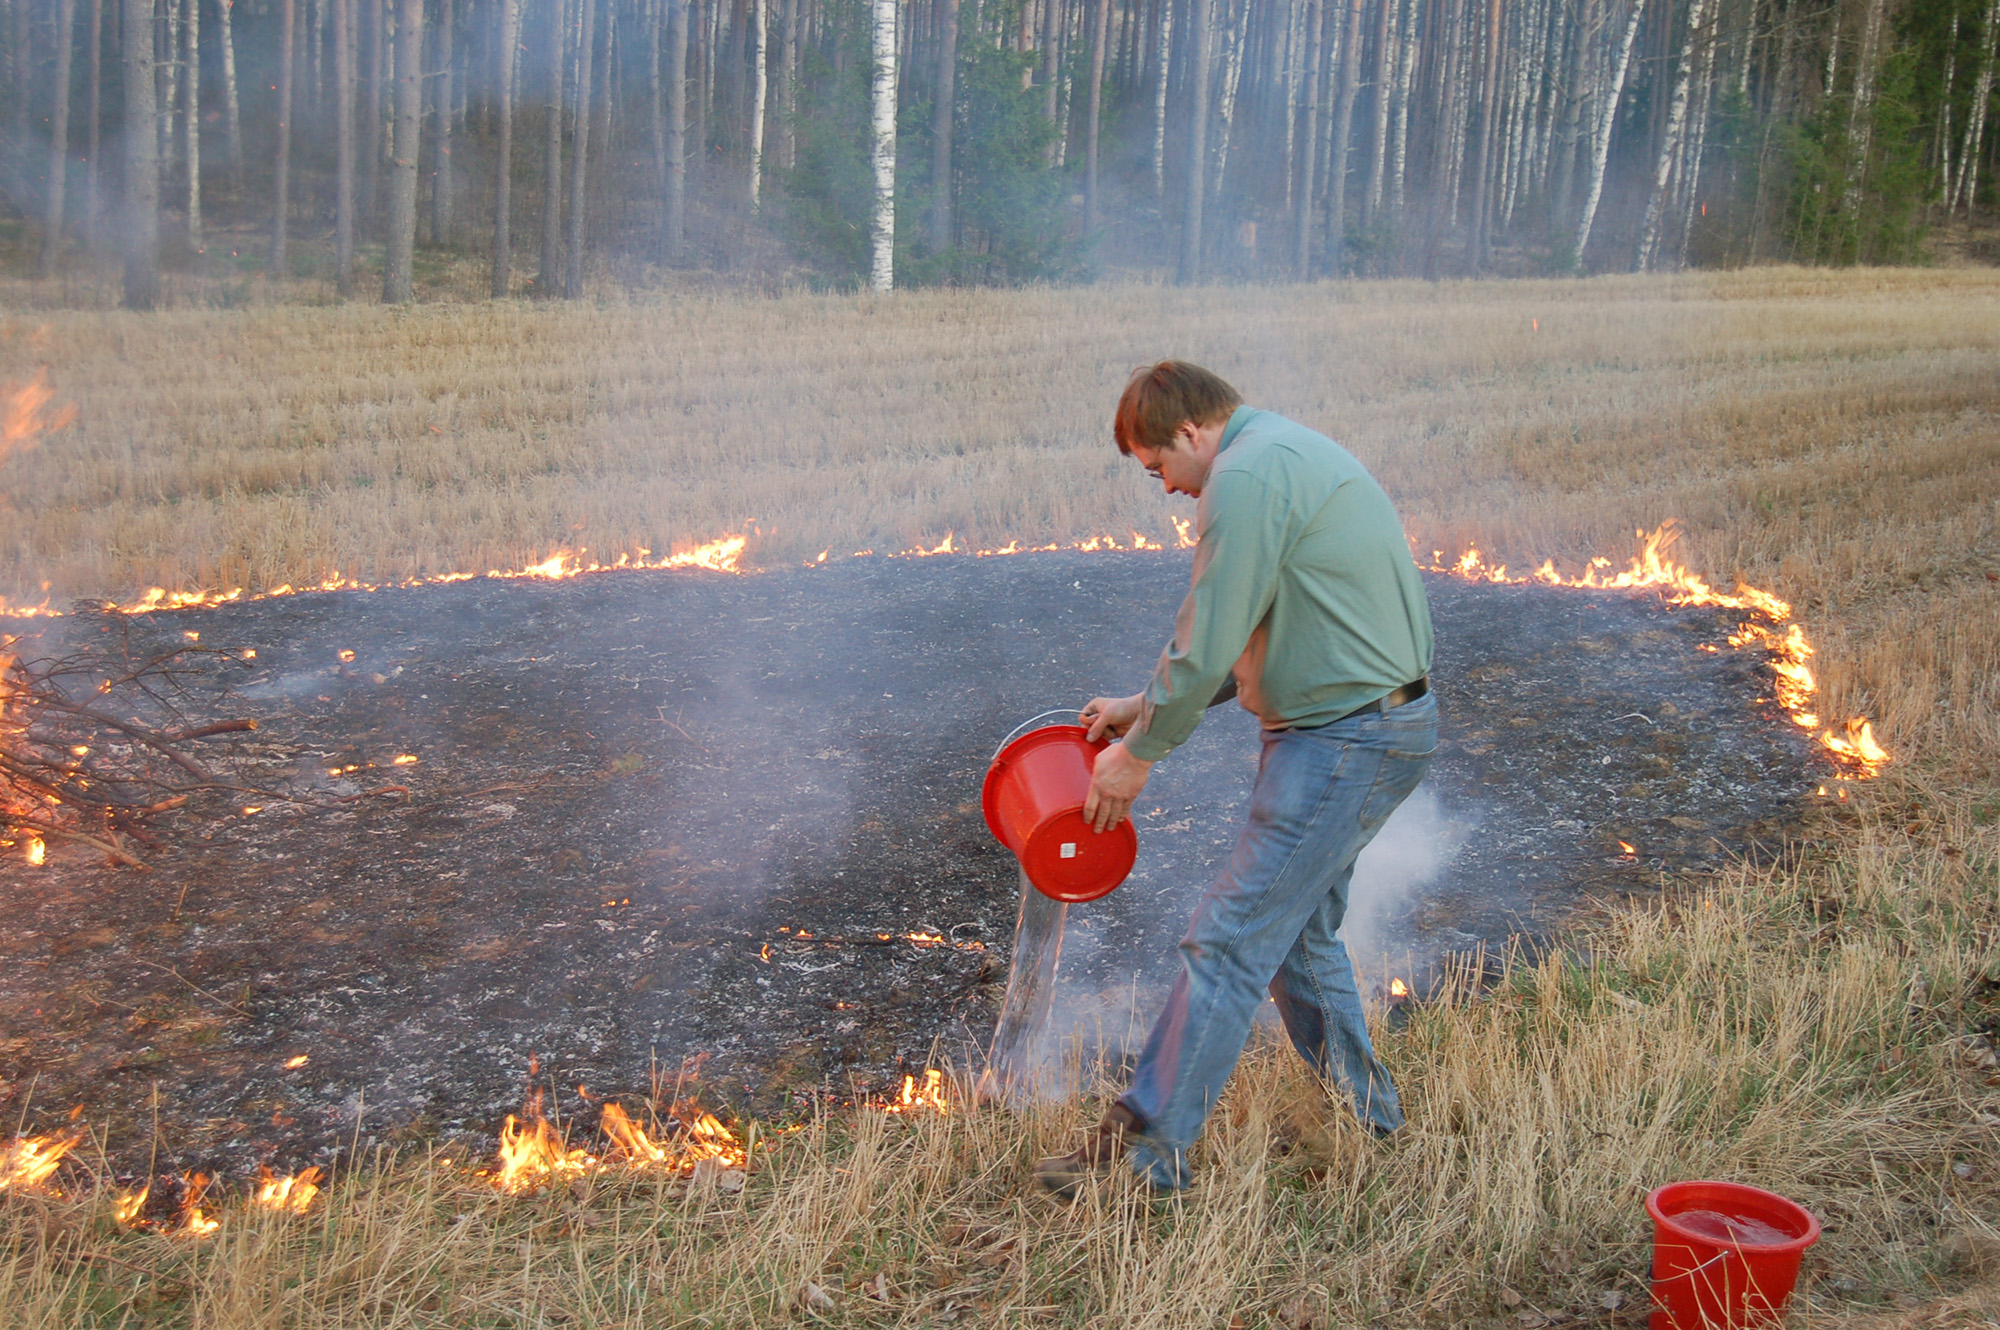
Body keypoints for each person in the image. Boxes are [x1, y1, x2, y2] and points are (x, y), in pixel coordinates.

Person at [1034, 361, 1437, 1198]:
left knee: (1227, 939)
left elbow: (1212, 626)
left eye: (1159, 470)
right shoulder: (1281, 455)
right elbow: (1264, 625)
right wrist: (1143, 708)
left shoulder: (1246, 477)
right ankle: (1377, 1124)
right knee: (1294, 941)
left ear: (1189, 434)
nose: (1169, 490)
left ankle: (1146, 1157)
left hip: (1344, 739)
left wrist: (1140, 755)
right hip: (1366, 727)